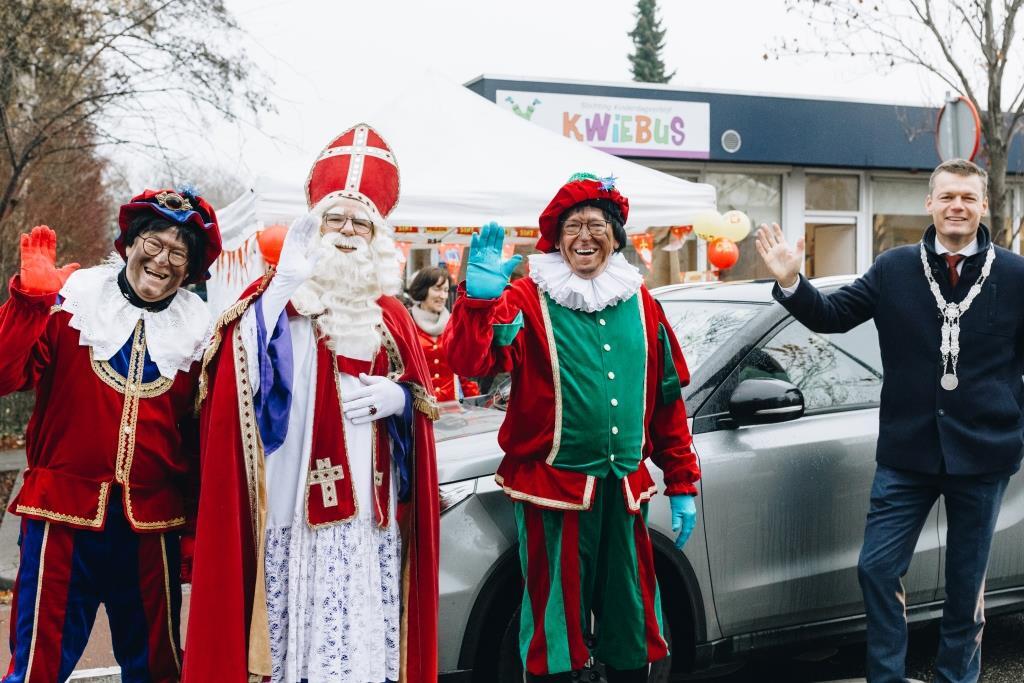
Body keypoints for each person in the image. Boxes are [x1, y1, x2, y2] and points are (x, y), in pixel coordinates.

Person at [183, 123, 439, 683]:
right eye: (336, 218)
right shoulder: (278, 298)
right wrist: (276, 296)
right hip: (292, 490)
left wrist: (400, 399)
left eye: (360, 222)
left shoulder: (392, 314)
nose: (347, 231)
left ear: (376, 236)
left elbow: (421, 406)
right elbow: (231, 377)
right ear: (315, 225)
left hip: (368, 508)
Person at [755, 158, 1024, 683]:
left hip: (983, 453)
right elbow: (833, 316)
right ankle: (887, 677)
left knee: (966, 588)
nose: (957, 207)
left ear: (983, 205)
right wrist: (792, 280)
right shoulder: (894, 267)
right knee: (876, 568)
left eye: (968, 198)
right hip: (907, 452)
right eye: (947, 196)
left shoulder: (1015, 275)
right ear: (929, 203)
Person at [445, 172, 701, 683]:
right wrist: (477, 302)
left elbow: (666, 401)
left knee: (632, 615)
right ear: (557, 239)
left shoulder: (644, 304)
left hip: (624, 489)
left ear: (616, 235)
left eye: (597, 225)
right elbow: (471, 363)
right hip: (552, 489)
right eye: (574, 226)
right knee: (554, 625)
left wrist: (682, 481)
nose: (585, 236)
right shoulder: (525, 299)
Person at [0, 188, 221, 683]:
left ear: (190, 270)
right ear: (130, 242)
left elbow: (202, 438)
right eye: (154, 243)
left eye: (178, 252)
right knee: (37, 668)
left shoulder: (200, 333)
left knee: (158, 670)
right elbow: (3, 374)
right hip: (62, 518)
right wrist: (29, 305)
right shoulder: (71, 302)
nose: (162, 260)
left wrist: (193, 532)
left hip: (150, 529)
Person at [407, 266, 480, 402]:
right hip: (418, 408)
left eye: (446, 290)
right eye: (437, 289)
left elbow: (463, 371)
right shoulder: (407, 325)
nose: (443, 296)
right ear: (423, 289)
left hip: (452, 406)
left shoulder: (454, 324)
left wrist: (475, 402)